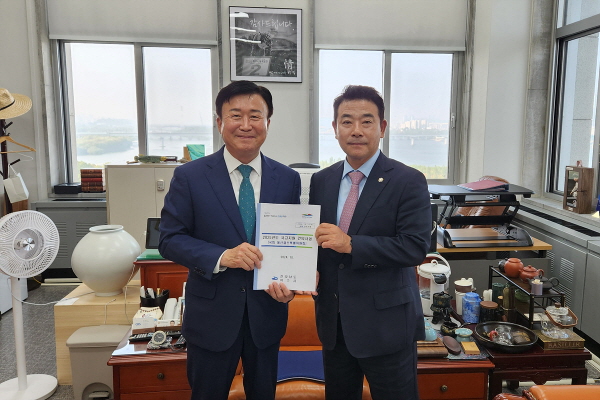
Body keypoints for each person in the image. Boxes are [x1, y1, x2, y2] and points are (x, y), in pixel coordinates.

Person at [159, 80, 301, 400]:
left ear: (268, 122)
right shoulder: (190, 176)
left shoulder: (287, 179)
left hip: (266, 316)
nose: (246, 125)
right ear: (219, 122)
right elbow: (169, 239)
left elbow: (290, 244)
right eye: (236, 115)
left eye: (255, 116)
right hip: (211, 318)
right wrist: (223, 256)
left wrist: (290, 283)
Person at [309, 85, 431, 400]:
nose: (356, 130)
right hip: (335, 326)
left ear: (382, 127)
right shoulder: (321, 181)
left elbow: (414, 247)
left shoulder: (408, 180)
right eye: (347, 121)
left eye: (367, 121)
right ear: (335, 128)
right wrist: (304, 269)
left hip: (387, 327)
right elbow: (319, 244)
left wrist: (352, 244)